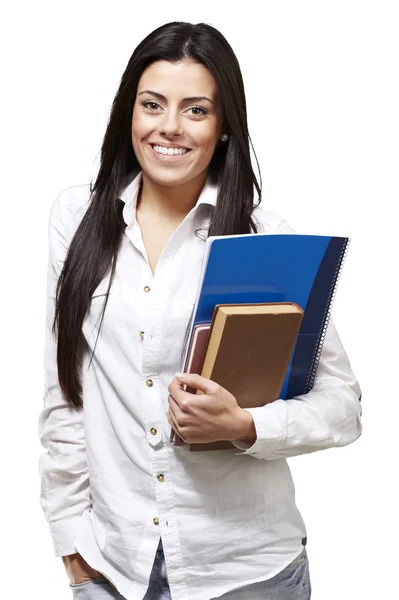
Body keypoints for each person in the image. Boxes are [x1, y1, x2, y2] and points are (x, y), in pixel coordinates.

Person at [38, 20, 362, 600]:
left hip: (246, 572)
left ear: (224, 127)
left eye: (195, 110)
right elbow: (67, 392)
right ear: (127, 114)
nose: (169, 127)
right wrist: (71, 544)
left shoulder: (263, 240)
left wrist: (245, 426)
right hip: (114, 568)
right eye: (152, 104)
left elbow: (341, 405)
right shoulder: (78, 221)